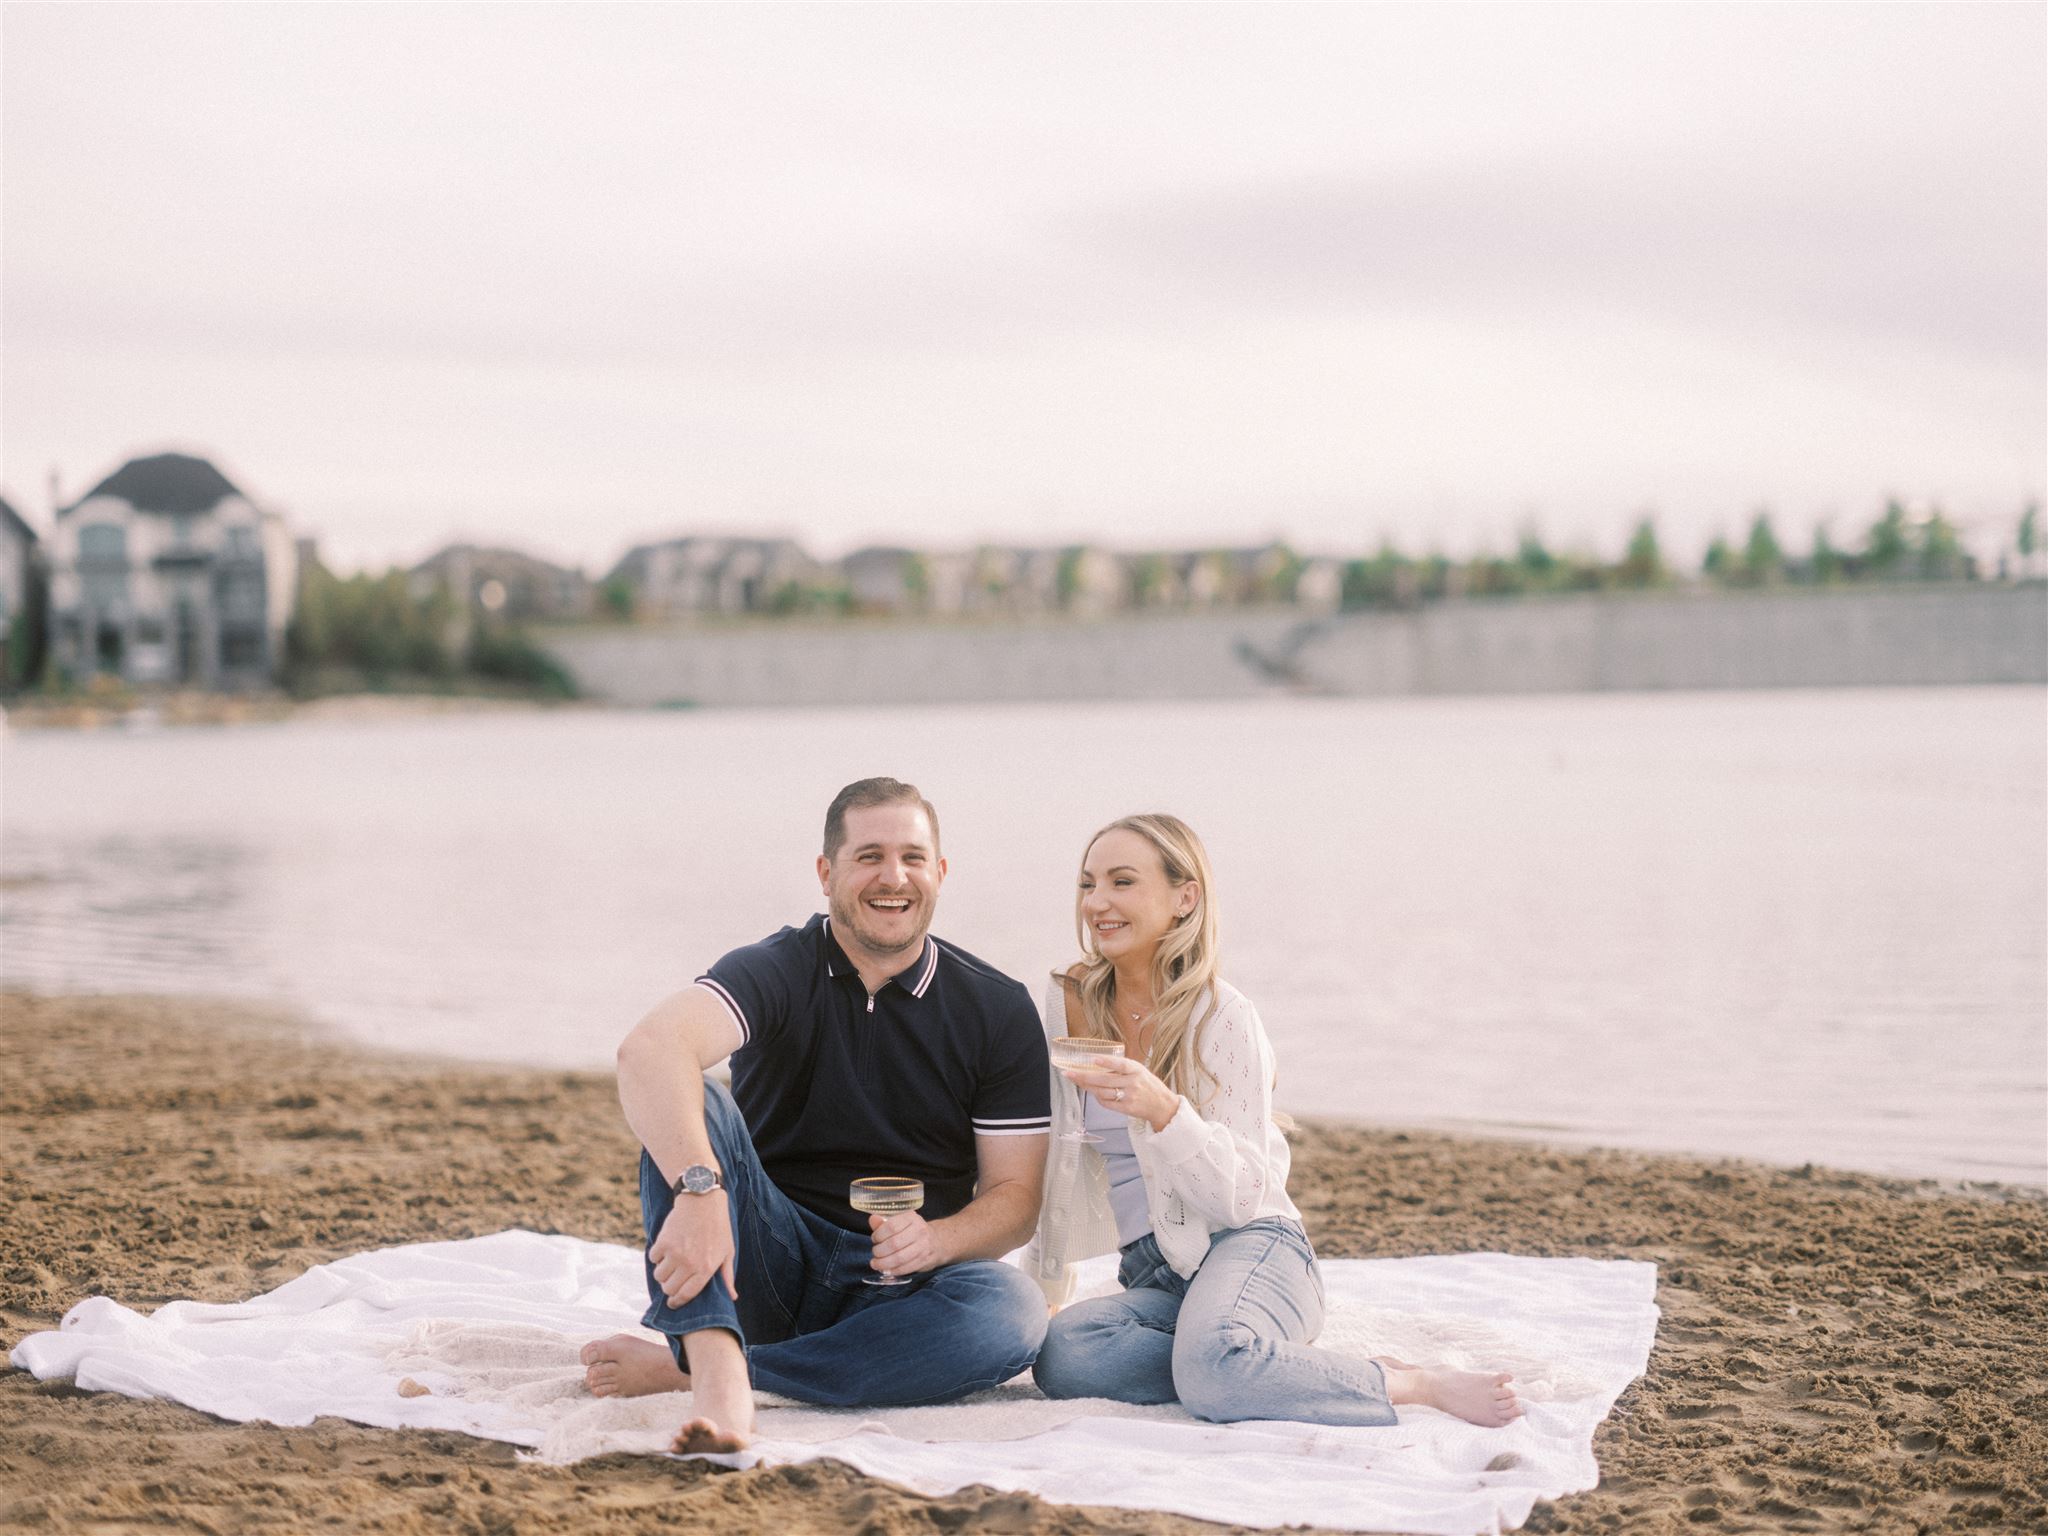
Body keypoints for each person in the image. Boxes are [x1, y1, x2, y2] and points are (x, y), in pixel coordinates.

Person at [579, 777, 1052, 1452]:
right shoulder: (776, 969)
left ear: (940, 873)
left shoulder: (997, 1009)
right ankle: (715, 1368)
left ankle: (688, 1369)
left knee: (1013, 1313)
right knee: (695, 1104)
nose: (894, 876)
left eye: (914, 858)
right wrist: (702, 1189)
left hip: (903, 1286)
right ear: (826, 872)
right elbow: (650, 1050)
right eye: (869, 856)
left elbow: (1018, 1199)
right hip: (764, 1262)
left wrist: (937, 1242)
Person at [1025, 813, 1523, 1429]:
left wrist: (1165, 1111)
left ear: (1186, 898)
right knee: (1064, 1357)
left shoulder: (1224, 1017)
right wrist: (1048, 1284)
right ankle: (1253, 1361)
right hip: (1156, 1270)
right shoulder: (1066, 999)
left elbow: (1242, 1198)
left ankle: (1406, 1381)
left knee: (1210, 1375)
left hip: (1254, 1246)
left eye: (1123, 882)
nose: (1098, 902)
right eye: (1088, 883)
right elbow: (1058, 1157)